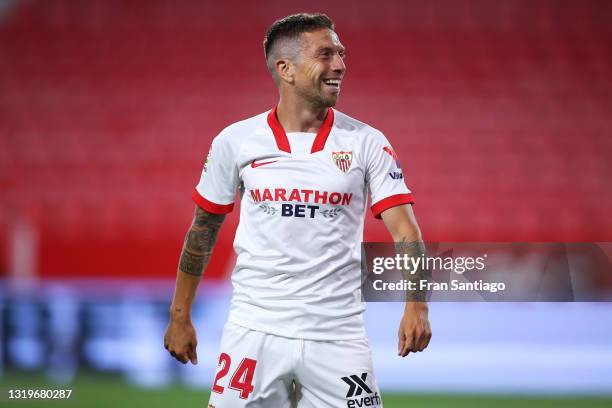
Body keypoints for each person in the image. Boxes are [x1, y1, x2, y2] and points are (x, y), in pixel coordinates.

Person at [164, 13, 431, 408]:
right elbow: (202, 230)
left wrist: (417, 306)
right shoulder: (236, 141)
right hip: (255, 330)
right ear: (284, 69)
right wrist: (180, 315)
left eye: (340, 53)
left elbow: (406, 232)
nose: (340, 64)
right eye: (325, 54)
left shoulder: (367, 142)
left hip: (338, 335)